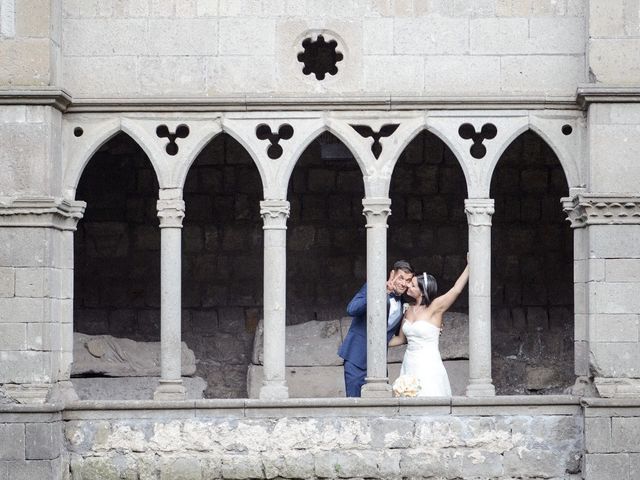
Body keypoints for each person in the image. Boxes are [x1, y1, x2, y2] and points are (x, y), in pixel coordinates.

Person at [389, 260, 469, 397]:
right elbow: (401, 339)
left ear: (422, 291)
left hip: (428, 363)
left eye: (412, 285)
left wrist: (470, 265)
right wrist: (377, 343)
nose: (408, 285)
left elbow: (456, 289)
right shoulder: (408, 309)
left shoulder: (435, 308)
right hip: (409, 362)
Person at [338, 260, 415, 397]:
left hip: (379, 365)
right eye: (401, 278)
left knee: (379, 405)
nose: (404, 283)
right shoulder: (373, 287)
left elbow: (400, 334)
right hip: (356, 358)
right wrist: (382, 292)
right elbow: (352, 309)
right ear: (392, 274)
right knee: (355, 405)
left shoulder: (404, 305)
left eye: (408, 280)